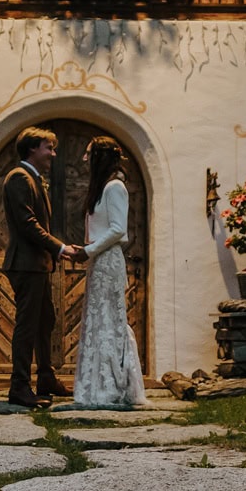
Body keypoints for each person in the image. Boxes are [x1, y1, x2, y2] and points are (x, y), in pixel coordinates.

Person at [2, 126, 81, 408]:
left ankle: (46, 377)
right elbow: (27, 224)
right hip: (25, 265)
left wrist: (54, 252)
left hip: (37, 264)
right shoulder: (19, 178)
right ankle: (19, 387)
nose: (53, 154)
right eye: (49, 147)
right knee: (27, 325)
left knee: (45, 319)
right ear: (33, 148)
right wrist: (59, 247)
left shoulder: (33, 178)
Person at [73, 136, 147, 408]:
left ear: (99, 159)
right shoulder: (102, 189)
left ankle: (112, 386)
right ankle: (95, 387)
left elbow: (118, 229)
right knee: (98, 320)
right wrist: (85, 248)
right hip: (99, 260)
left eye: (89, 157)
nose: (86, 163)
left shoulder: (116, 187)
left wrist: (89, 250)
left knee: (109, 321)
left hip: (108, 260)